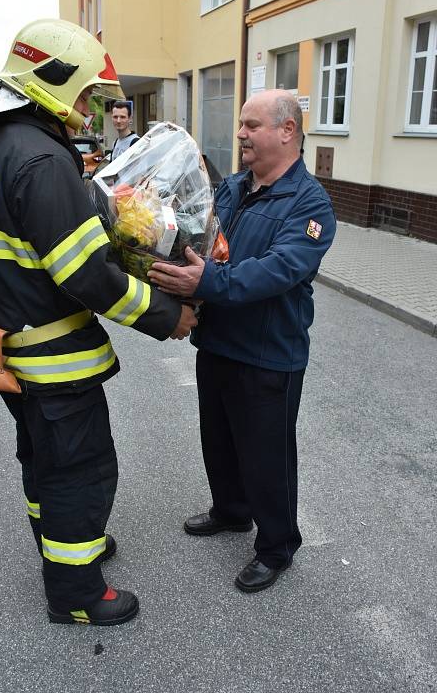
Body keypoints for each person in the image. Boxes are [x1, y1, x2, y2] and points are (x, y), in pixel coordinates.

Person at [0, 18, 197, 627]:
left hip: (18, 351)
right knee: (79, 470)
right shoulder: (40, 160)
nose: (91, 105)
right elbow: (86, 276)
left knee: (43, 461)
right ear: (55, 83)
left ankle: (66, 545)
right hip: (55, 362)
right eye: (87, 91)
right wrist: (169, 316)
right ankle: (76, 591)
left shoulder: (4, 147)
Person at [148, 89, 336, 593]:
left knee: (268, 457)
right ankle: (231, 512)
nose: (240, 134)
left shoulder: (311, 204)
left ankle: (276, 547)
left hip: (269, 354)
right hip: (219, 343)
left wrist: (205, 283)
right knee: (220, 439)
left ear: (287, 131)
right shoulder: (230, 188)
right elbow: (199, 234)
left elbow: (277, 271)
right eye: (241, 124)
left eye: (252, 125)